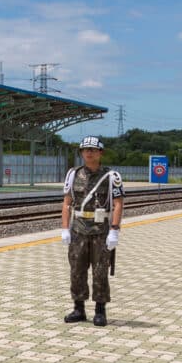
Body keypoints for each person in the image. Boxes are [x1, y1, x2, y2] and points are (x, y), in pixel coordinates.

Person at [60, 136, 124, 327]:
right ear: (81, 153)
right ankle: (78, 308)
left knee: (100, 271)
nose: (88, 152)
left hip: (101, 231)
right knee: (77, 270)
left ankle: (100, 310)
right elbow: (66, 204)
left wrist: (114, 230)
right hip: (78, 229)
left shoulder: (112, 177)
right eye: (85, 150)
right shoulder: (73, 174)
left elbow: (118, 204)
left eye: (93, 150)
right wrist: (65, 229)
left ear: (100, 153)